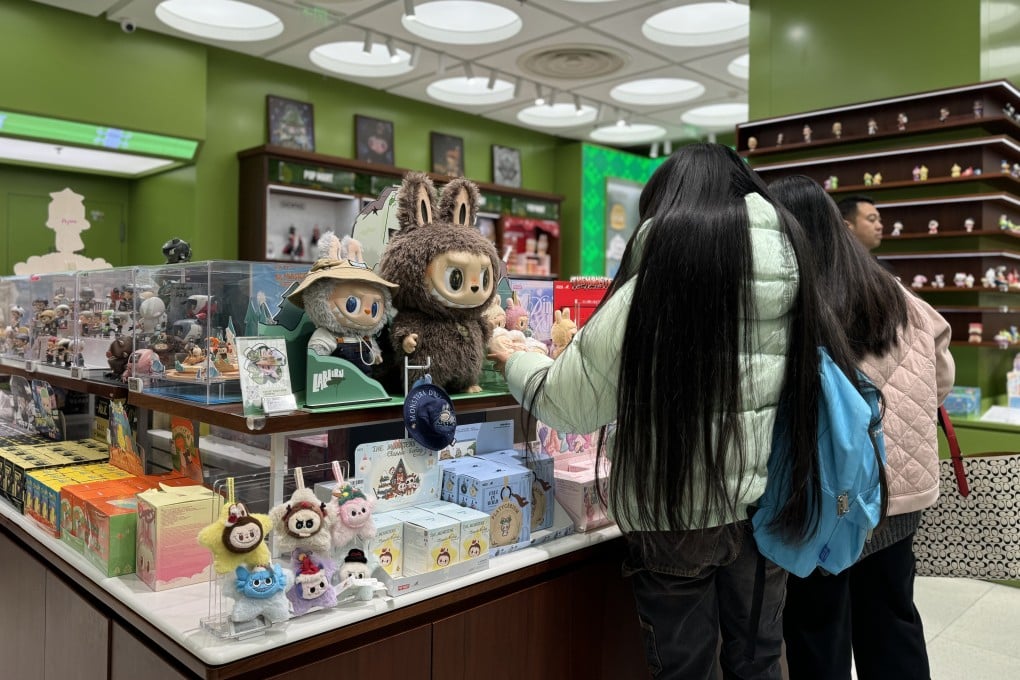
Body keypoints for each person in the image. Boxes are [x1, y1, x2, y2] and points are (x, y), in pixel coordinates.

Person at [490, 143, 845, 679]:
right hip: (770, 505)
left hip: (673, 509)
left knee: (685, 669)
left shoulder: (660, 277)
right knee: (761, 660)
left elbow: (568, 401)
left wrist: (513, 359)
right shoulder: (795, 266)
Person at [770, 175, 955, 680]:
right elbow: (942, 367)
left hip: (831, 495)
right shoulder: (890, 289)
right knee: (893, 618)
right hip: (899, 491)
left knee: (817, 627)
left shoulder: (797, 298)